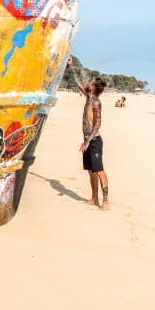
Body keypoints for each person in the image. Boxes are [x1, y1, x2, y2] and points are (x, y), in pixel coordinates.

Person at [67, 58, 109, 210]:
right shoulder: (88, 97)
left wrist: (87, 141)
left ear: (93, 88)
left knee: (99, 171)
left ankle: (105, 202)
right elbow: (77, 83)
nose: (87, 83)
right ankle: (94, 199)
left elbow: (97, 124)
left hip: (95, 141)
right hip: (87, 140)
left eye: (90, 82)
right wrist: (71, 66)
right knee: (91, 171)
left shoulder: (96, 102)